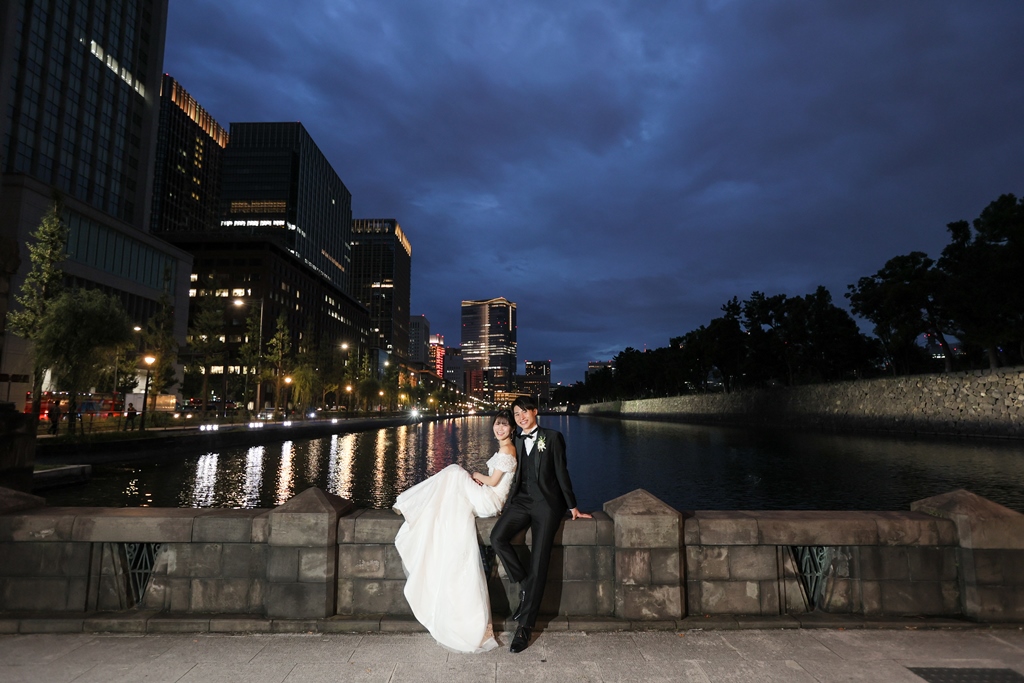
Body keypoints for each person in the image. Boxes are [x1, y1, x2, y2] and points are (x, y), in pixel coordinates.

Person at [393, 410, 518, 653]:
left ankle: (409, 505)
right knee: (451, 487)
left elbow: (493, 482)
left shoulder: (507, 449)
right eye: (497, 424)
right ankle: (412, 505)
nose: (499, 428)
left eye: (504, 425)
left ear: (511, 429)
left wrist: (475, 475)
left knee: (453, 472)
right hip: (490, 499)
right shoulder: (507, 448)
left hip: (490, 500)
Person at [490, 396, 592, 653]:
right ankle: (524, 584)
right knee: (497, 537)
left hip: (546, 506)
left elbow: (561, 472)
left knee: (539, 560)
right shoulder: (516, 440)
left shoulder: (553, 437)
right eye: (516, 414)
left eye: (525, 411)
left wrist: (573, 506)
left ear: (535, 412)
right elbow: (516, 475)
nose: (521, 417)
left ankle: (525, 627)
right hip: (521, 502)